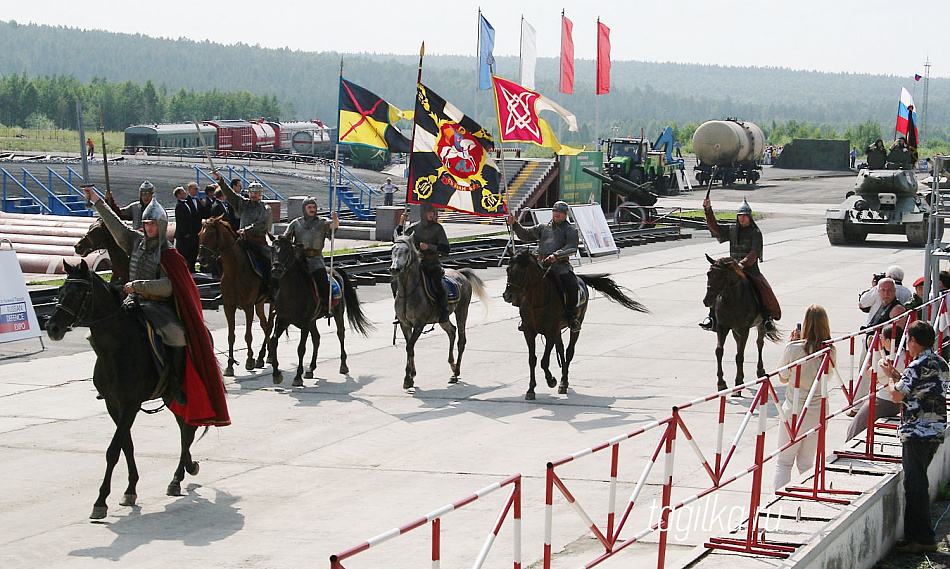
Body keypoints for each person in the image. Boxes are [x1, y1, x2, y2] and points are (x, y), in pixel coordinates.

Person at [82, 186, 225, 419]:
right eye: (146, 224)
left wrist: (140, 286)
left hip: (159, 306)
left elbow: (169, 286)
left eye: (152, 224)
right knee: (98, 334)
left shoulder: (169, 254)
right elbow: (115, 225)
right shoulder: (135, 241)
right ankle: (109, 381)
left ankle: (174, 383)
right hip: (132, 302)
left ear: (159, 226)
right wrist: (98, 201)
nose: (148, 228)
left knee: (176, 336)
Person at [880, 320, 948, 554]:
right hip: (935, 430)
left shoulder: (916, 366)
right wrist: (899, 376)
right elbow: (919, 387)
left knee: (915, 485)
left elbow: (897, 395)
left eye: (908, 339)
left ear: (914, 341)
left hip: (917, 432)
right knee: (916, 482)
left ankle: (923, 538)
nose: (906, 343)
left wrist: (890, 378)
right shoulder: (939, 362)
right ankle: (915, 536)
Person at [773, 305, 836, 490]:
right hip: (817, 412)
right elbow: (829, 376)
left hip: (794, 411)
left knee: (784, 462)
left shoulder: (794, 349)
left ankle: (779, 497)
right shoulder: (830, 350)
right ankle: (808, 492)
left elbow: (783, 377)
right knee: (807, 462)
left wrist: (791, 345)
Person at [699, 197, 781, 333]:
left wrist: (742, 264)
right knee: (717, 283)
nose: (742, 218)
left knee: (763, 288)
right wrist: (708, 210)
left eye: (744, 216)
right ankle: (712, 317)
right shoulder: (732, 229)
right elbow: (716, 228)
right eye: (740, 216)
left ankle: (767, 318)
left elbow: (754, 253)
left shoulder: (755, 233)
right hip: (732, 269)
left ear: (749, 217)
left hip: (749, 269)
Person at [505, 201, 582, 331]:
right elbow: (526, 235)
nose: (557, 215)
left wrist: (556, 256)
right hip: (541, 265)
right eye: (555, 212)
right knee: (523, 281)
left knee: (572, 285)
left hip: (560, 266)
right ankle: (525, 317)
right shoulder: (542, 228)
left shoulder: (570, 230)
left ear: (565, 215)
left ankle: (571, 317)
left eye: (561, 213)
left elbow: (571, 247)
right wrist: (515, 224)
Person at [215, 173, 274, 300]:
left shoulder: (265, 208)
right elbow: (231, 195)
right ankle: (225, 287)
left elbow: (262, 224)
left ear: (261, 194)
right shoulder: (244, 204)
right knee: (221, 259)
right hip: (242, 241)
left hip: (257, 241)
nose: (254, 195)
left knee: (267, 261)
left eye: (257, 193)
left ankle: (270, 289)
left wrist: (247, 230)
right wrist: (221, 181)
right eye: (252, 192)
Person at [395, 202, 451, 323]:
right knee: (397, 282)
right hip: (416, 265)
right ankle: (400, 312)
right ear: (423, 213)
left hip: (432, 264)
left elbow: (446, 249)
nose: (432, 214)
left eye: (433, 212)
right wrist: (401, 222)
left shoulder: (438, 228)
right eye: (429, 212)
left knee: (438, 285)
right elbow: (398, 239)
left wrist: (429, 246)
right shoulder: (414, 228)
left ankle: (443, 311)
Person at [845, 325, 903, 441]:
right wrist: (880, 351)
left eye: (881, 337)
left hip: (883, 401)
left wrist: (870, 350)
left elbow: (867, 371)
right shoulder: (904, 356)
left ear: (888, 341)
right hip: (898, 402)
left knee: (856, 425)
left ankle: (848, 443)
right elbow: (886, 362)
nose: (879, 339)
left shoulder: (886, 362)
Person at [283, 198, 340, 310]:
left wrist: (335, 219)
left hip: (315, 259)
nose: (312, 210)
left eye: (314, 207)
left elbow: (333, 226)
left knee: (322, 282)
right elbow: (285, 239)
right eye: (309, 207)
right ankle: (279, 303)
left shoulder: (322, 222)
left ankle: (325, 305)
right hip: (298, 259)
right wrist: (292, 246)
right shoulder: (296, 223)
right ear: (304, 209)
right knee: (283, 278)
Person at [173, 186, 199, 272]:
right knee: (183, 251)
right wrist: (185, 232)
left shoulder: (185, 203)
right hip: (183, 234)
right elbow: (181, 221)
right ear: (179, 195)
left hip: (190, 232)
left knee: (190, 251)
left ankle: (190, 267)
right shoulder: (179, 206)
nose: (185, 194)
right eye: (183, 192)